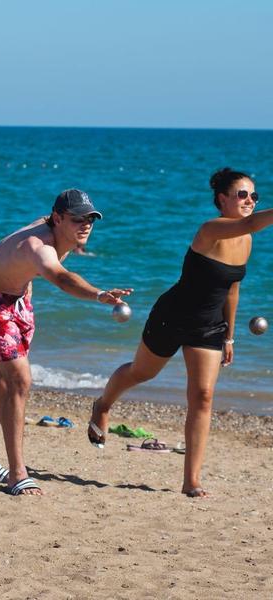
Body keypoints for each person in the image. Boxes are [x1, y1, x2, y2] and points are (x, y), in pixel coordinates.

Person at [89, 168, 273, 498]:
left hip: (209, 326)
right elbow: (248, 222)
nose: (250, 201)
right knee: (140, 373)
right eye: (242, 195)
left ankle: (192, 480)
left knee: (202, 397)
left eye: (254, 196)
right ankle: (102, 406)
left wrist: (229, 336)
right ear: (221, 199)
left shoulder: (247, 240)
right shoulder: (211, 230)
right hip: (172, 316)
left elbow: (231, 289)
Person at [0, 189, 132, 495]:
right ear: (58, 218)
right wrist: (98, 294)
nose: (85, 225)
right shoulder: (39, 245)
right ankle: (17, 474)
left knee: (4, 385)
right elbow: (61, 276)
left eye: (90, 219)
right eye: (77, 219)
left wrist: (24, 282)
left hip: (18, 299)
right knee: (19, 381)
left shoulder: (58, 230)